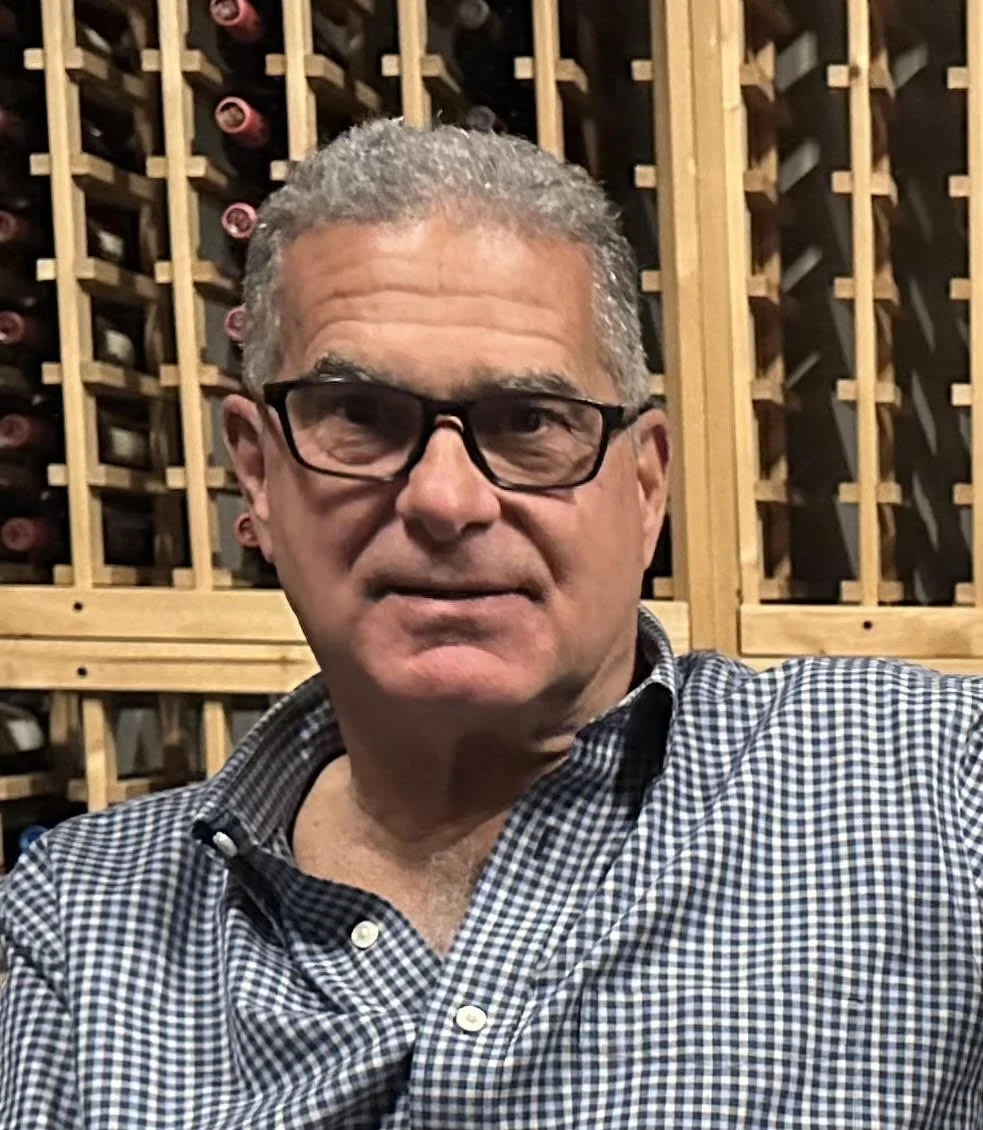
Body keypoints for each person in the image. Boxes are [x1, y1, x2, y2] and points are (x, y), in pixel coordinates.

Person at [1, 118, 981, 1128]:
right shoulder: (76, 926)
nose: (445, 500)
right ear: (257, 469)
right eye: (360, 415)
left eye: (528, 424)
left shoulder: (927, 789)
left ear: (643, 486)